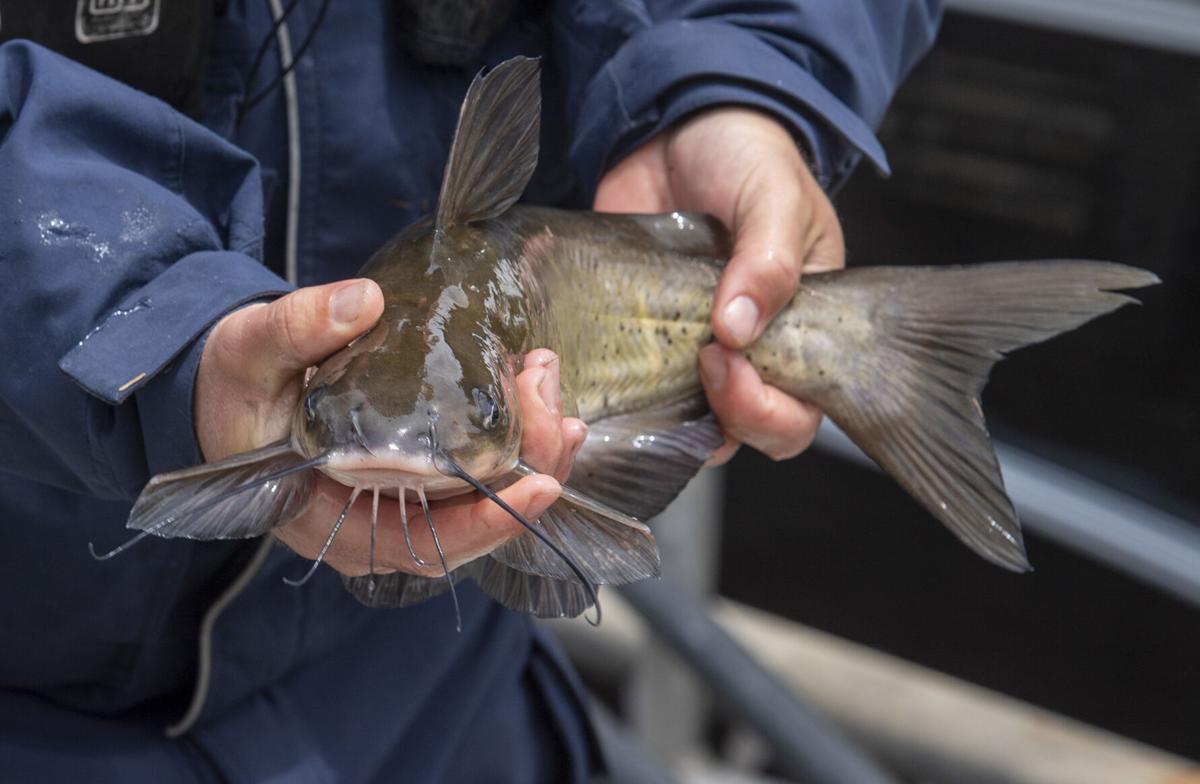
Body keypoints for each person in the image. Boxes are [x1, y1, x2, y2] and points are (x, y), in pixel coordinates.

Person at [0, 2, 941, 781]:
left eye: (473, 423)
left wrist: (740, 82)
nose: (400, 456)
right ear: (310, 395)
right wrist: (170, 345)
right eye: (335, 416)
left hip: (435, 698)